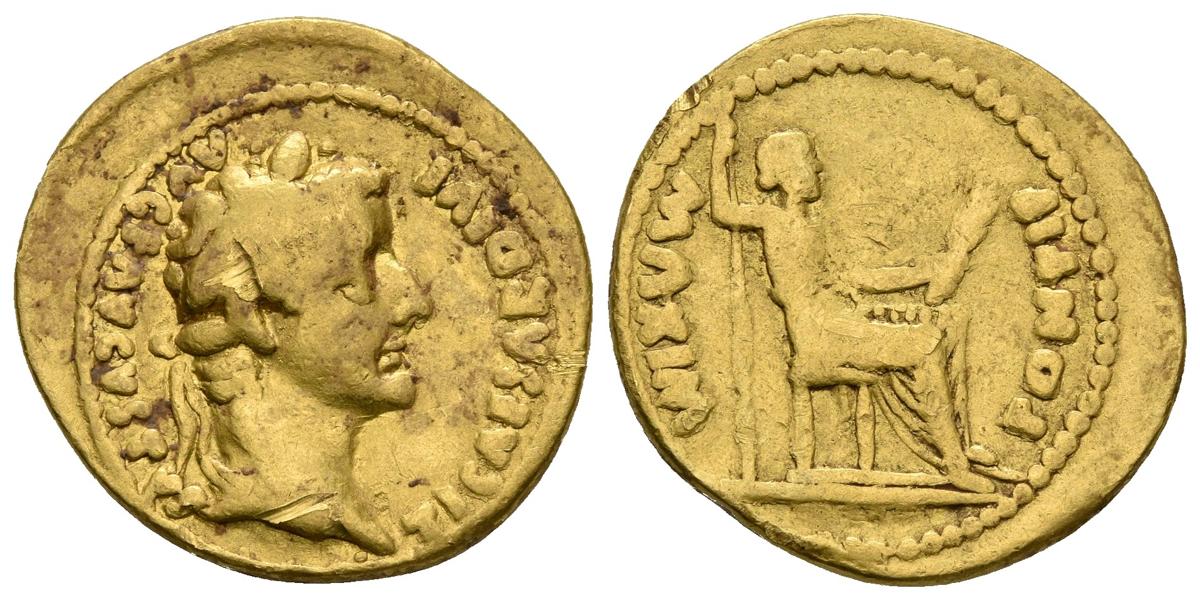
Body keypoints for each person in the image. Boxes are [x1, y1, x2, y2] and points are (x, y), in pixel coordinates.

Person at [162, 130, 433, 554]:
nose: (416, 302)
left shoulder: (341, 510)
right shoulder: (301, 509)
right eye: (365, 272)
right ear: (256, 314)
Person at [711, 129, 997, 494]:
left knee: (946, 327)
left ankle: (958, 444)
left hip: (840, 318)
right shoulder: (775, 220)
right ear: (791, 171)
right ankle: (954, 465)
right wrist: (720, 154)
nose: (819, 166)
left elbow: (849, 280)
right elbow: (723, 211)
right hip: (820, 334)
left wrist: (920, 273)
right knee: (925, 346)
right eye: (810, 158)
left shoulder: (811, 225)